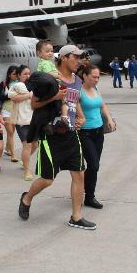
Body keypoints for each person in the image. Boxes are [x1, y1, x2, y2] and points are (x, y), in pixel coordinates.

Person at [18, 71, 96, 230]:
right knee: (47, 179)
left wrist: (75, 118)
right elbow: (34, 105)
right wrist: (54, 98)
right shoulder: (44, 85)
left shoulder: (64, 83)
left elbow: (69, 103)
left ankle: (76, 217)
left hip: (70, 136)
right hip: (50, 138)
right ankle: (27, 198)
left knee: (79, 174)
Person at [78, 64, 116, 209]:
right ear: (85, 76)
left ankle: (86, 193)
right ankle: (88, 196)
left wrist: (109, 119)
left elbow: (102, 105)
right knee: (93, 165)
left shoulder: (96, 89)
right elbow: (71, 109)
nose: (96, 79)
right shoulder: (79, 91)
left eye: (98, 77)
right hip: (85, 133)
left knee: (94, 167)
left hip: (99, 132)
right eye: (94, 77)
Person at [8, 65, 37, 181]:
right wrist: (29, 95)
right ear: (19, 75)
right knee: (27, 145)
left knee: (35, 145)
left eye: (29, 73)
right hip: (22, 121)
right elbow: (13, 98)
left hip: (34, 120)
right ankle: (27, 171)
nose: (27, 76)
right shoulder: (15, 86)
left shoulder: (34, 86)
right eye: (25, 74)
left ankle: (24, 160)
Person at [0, 65, 19, 162]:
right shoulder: (4, 84)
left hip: (16, 110)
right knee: (10, 132)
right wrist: (8, 96)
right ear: (9, 74)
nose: (16, 76)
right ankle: (13, 155)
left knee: (12, 132)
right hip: (6, 110)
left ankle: (7, 147)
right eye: (14, 74)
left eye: (17, 74)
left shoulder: (21, 84)